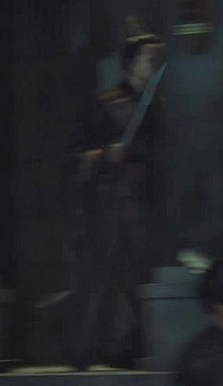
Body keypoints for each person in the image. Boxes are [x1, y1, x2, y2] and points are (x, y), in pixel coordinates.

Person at [62, 22, 166, 369]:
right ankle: (86, 350)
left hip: (142, 203)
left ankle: (126, 348)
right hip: (107, 205)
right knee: (102, 278)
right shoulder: (106, 105)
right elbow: (75, 156)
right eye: (149, 59)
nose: (154, 66)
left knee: (135, 277)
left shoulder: (156, 109)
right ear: (131, 63)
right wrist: (107, 154)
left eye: (157, 60)